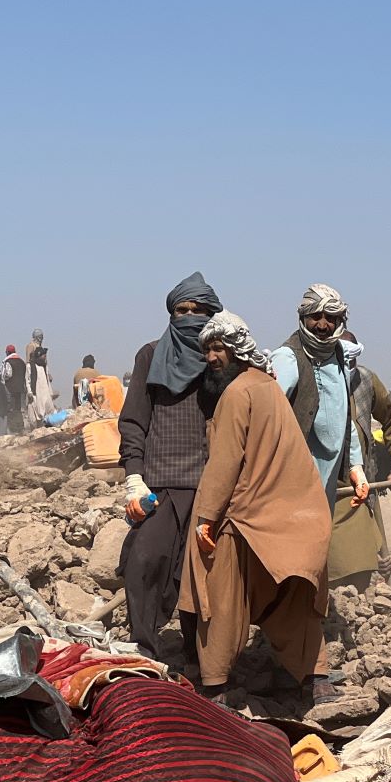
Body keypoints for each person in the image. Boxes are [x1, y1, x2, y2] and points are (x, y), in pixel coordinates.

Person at [178, 314, 338, 702]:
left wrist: (207, 519)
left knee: (221, 598)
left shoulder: (237, 394)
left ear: (237, 349)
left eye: (219, 349)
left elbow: (225, 462)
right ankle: (313, 678)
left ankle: (214, 684)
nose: (212, 358)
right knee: (293, 599)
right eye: (208, 351)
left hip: (241, 515)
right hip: (289, 515)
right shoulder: (268, 387)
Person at [118, 271, 222, 663]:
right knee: (144, 562)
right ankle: (143, 648)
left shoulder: (221, 361)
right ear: (170, 313)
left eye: (200, 311)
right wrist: (134, 477)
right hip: (160, 483)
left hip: (209, 482)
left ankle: (203, 658)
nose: (190, 317)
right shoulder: (151, 354)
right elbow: (134, 420)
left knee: (201, 573)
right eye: (183, 310)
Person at [269, 284, 369, 510]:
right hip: (291, 483)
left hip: (327, 482)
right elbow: (266, 420)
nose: (322, 325)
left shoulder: (339, 355)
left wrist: (356, 466)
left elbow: (344, 418)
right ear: (303, 317)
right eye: (315, 317)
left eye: (330, 317)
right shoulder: (287, 359)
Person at [331, 330, 391, 588]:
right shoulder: (312, 381)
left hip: (361, 483)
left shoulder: (366, 380)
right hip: (325, 485)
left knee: (362, 563)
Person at [24, 342, 56, 425]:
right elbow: (27, 380)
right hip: (35, 394)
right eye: (44, 356)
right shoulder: (29, 366)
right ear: (39, 355)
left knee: (48, 413)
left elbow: (47, 381)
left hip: (45, 393)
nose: (45, 357)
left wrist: (50, 393)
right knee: (35, 414)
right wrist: (29, 392)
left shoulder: (44, 366)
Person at [1, 344, 28, 433]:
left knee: (10, 409)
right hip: (20, 389)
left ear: (7, 352)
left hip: (10, 389)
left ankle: (12, 429)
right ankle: (20, 428)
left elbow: (8, 374)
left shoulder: (8, 361)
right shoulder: (22, 362)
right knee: (19, 409)